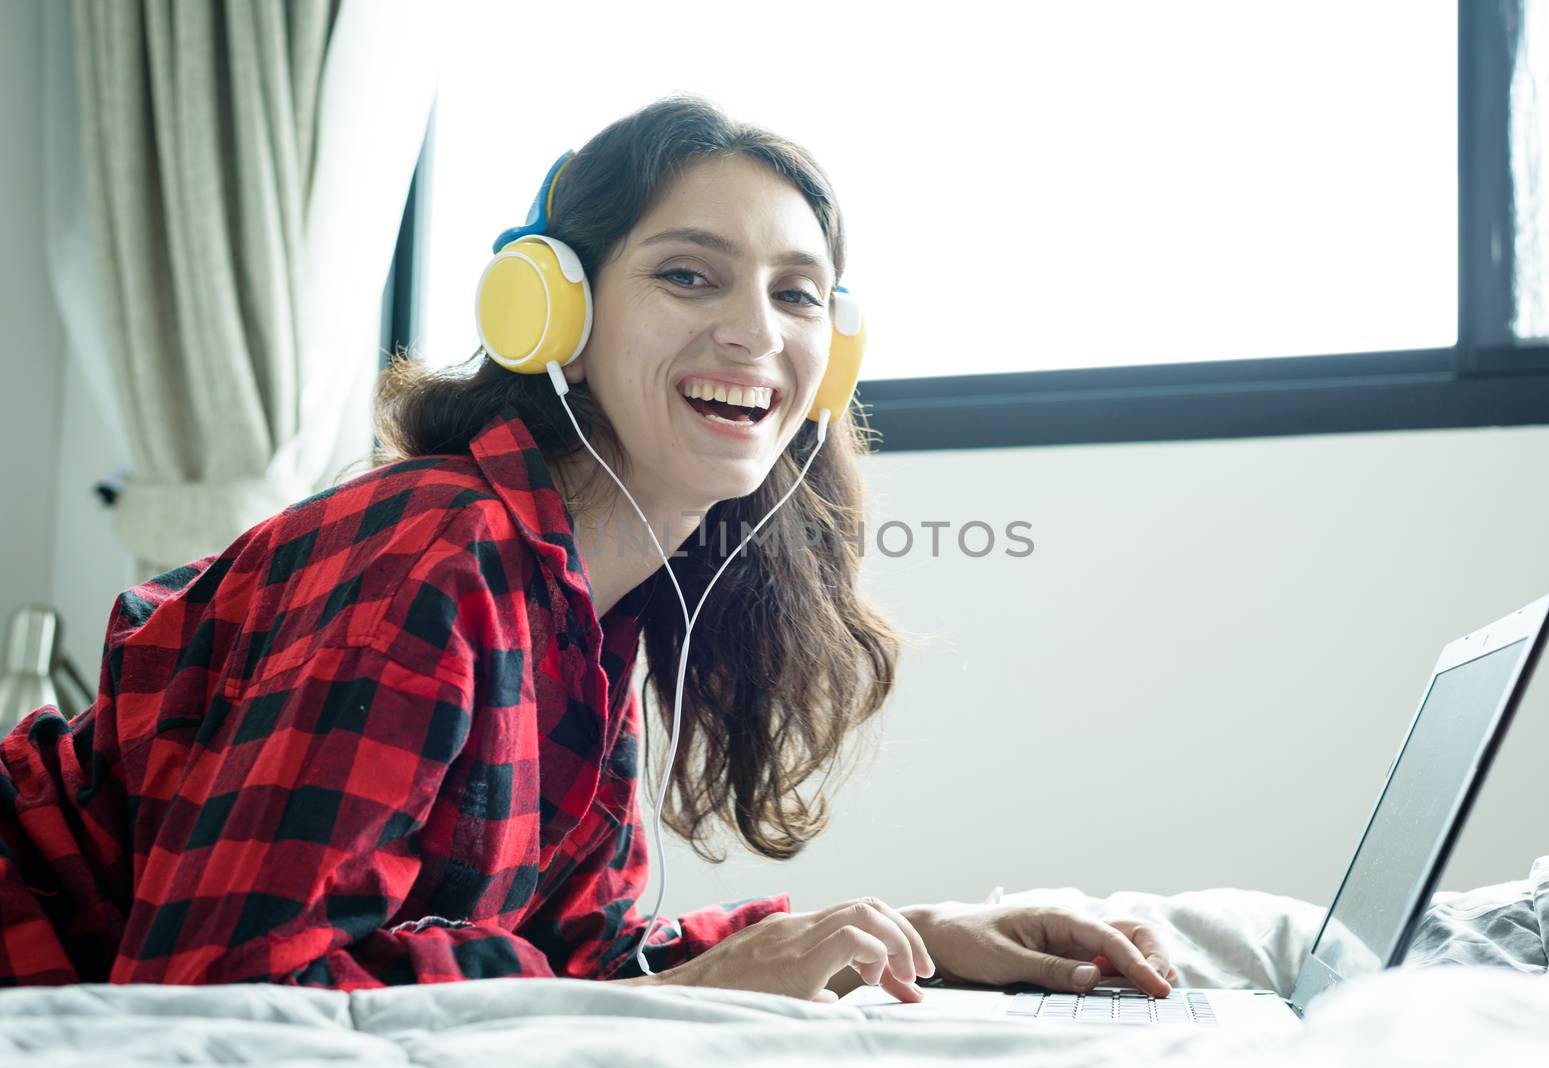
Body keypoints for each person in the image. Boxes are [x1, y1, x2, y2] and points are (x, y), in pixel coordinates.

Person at [0, 94, 1175, 1001]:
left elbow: (575, 952)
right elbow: (229, 988)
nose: (754, 331)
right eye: (687, 275)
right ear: (552, 316)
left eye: (798, 294)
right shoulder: (432, 557)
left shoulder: (590, 604)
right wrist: (688, 994)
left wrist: (919, 939)